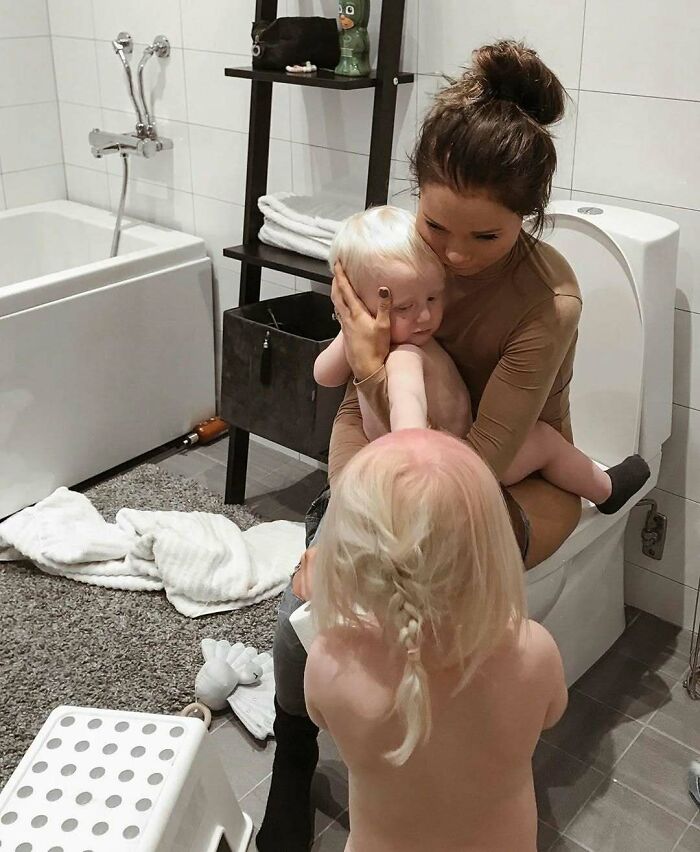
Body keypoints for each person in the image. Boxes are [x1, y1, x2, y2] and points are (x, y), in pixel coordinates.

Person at [255, 39, 645, 851]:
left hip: (493, 480)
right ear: (414, 201)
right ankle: (295, 757)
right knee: (304, 612)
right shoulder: (395, 253)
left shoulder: (550, 300)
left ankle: (463, 774)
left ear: (526, 225)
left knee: (415, 617)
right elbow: (338, 366)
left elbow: (475, 465)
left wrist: (370, 372)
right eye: (437, 227)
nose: (455, 260)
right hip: (385, 463)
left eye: (487, 239)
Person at [305, 429, 568, 852]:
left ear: (350, 557)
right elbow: (551, 714)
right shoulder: (532, 653)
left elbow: (320, 718)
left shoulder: (331, 661)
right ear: (490, 550)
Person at [315, 205, 649, 513]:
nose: (426, 315)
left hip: (427, 460)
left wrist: (355, 337)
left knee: (541, 438)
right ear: (359, 303)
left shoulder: (392, 349)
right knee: (545, 440)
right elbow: (341, 385)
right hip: (443, 465)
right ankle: (605, 489)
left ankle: (605, 490)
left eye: (433, 297)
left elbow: (345, 385)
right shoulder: (399, 353)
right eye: (403, 307)